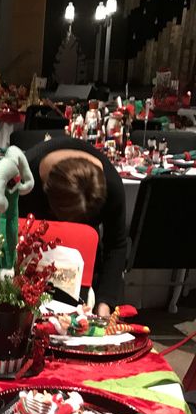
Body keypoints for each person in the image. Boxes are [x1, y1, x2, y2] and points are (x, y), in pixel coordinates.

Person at [22, 135, 127, 316]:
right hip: (29, 267)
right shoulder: (24, 177)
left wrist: (105, 303)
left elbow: (116, 245)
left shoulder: (112, 186)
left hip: (84, 272)